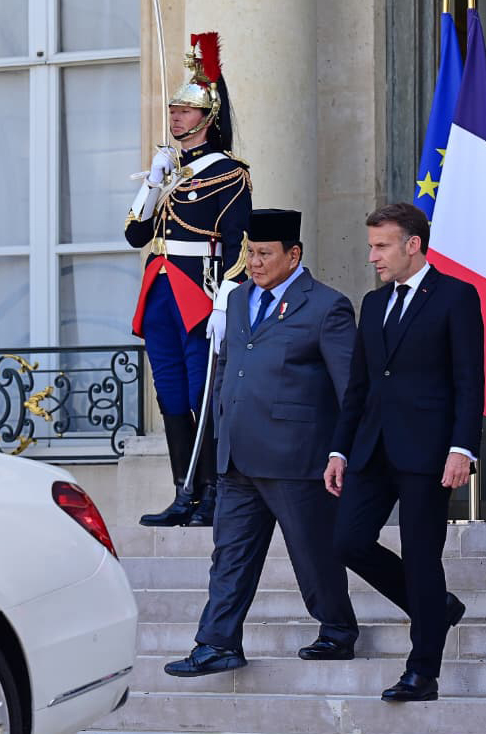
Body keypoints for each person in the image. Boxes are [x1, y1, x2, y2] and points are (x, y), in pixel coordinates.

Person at [163, 209, 358, 677]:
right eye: (250, 252)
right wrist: (218, 429)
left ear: (294, 255)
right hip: (237, 458)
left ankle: (337, 629)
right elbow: (229, 363)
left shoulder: (327, 305)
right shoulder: (237, 300)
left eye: (265, 254)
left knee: (312, 554)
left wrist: (341, 450)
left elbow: (350, 387)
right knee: (229, 556)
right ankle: (218, 643)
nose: (254, 262)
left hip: (297, 456)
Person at [325, 202, 483, 703]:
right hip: (372, 450)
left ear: (412, 245)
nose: (372, 256)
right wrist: (339, 451)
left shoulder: (457, 296)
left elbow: (469, 381)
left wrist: (463, 448)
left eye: (381, 246)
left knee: (421, 558)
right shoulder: (373, 305)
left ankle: (423, 673)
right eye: (371, 245)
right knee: (347, 542)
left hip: (429, 453)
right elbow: (359, 387)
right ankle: (437, 608)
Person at [125, 32, 252, 528]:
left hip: (197, 292)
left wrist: (225, 297)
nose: (176, 116)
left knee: (204, 394)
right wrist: (155, 181)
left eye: (186, 110)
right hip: (159, 289)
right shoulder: (169, 171)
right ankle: (185, 492)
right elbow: (137, 233)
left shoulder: (229, 174)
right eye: (174, 109)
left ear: (208, 117)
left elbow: (238, 242)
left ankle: (217, 495)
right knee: (171, 396)